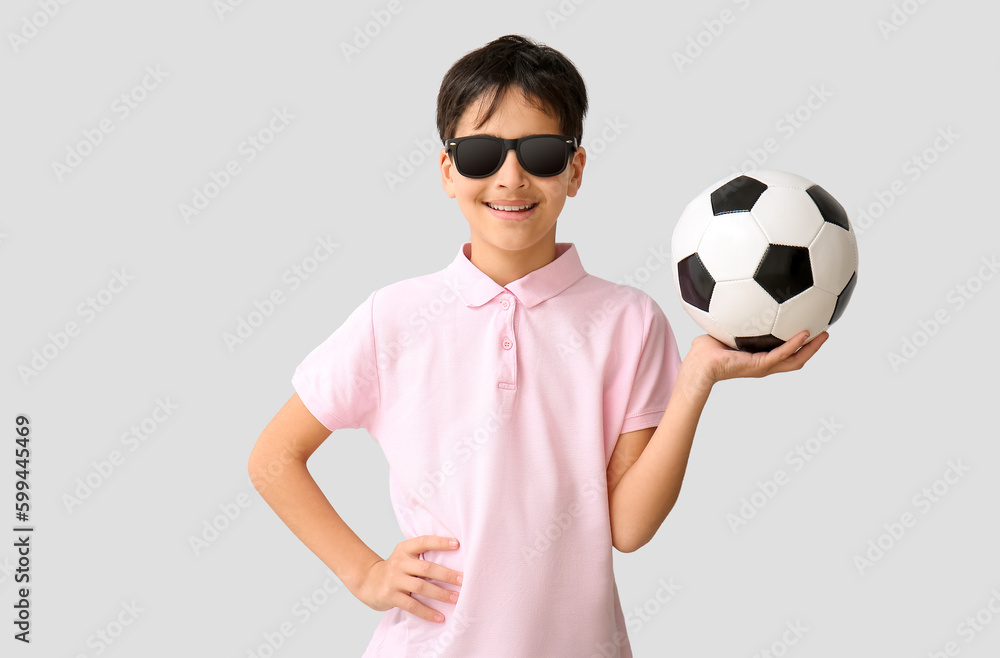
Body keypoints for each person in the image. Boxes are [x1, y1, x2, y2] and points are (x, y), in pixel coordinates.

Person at [247, 34, 827, 657]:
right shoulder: (394, 317)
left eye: (543, 153)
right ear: (447, 171)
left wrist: (697, 379)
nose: (511, 177)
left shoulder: (627, 321)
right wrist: (364, 572)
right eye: (480, 155)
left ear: (575, 170)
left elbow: (627, 528)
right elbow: (274, 458)